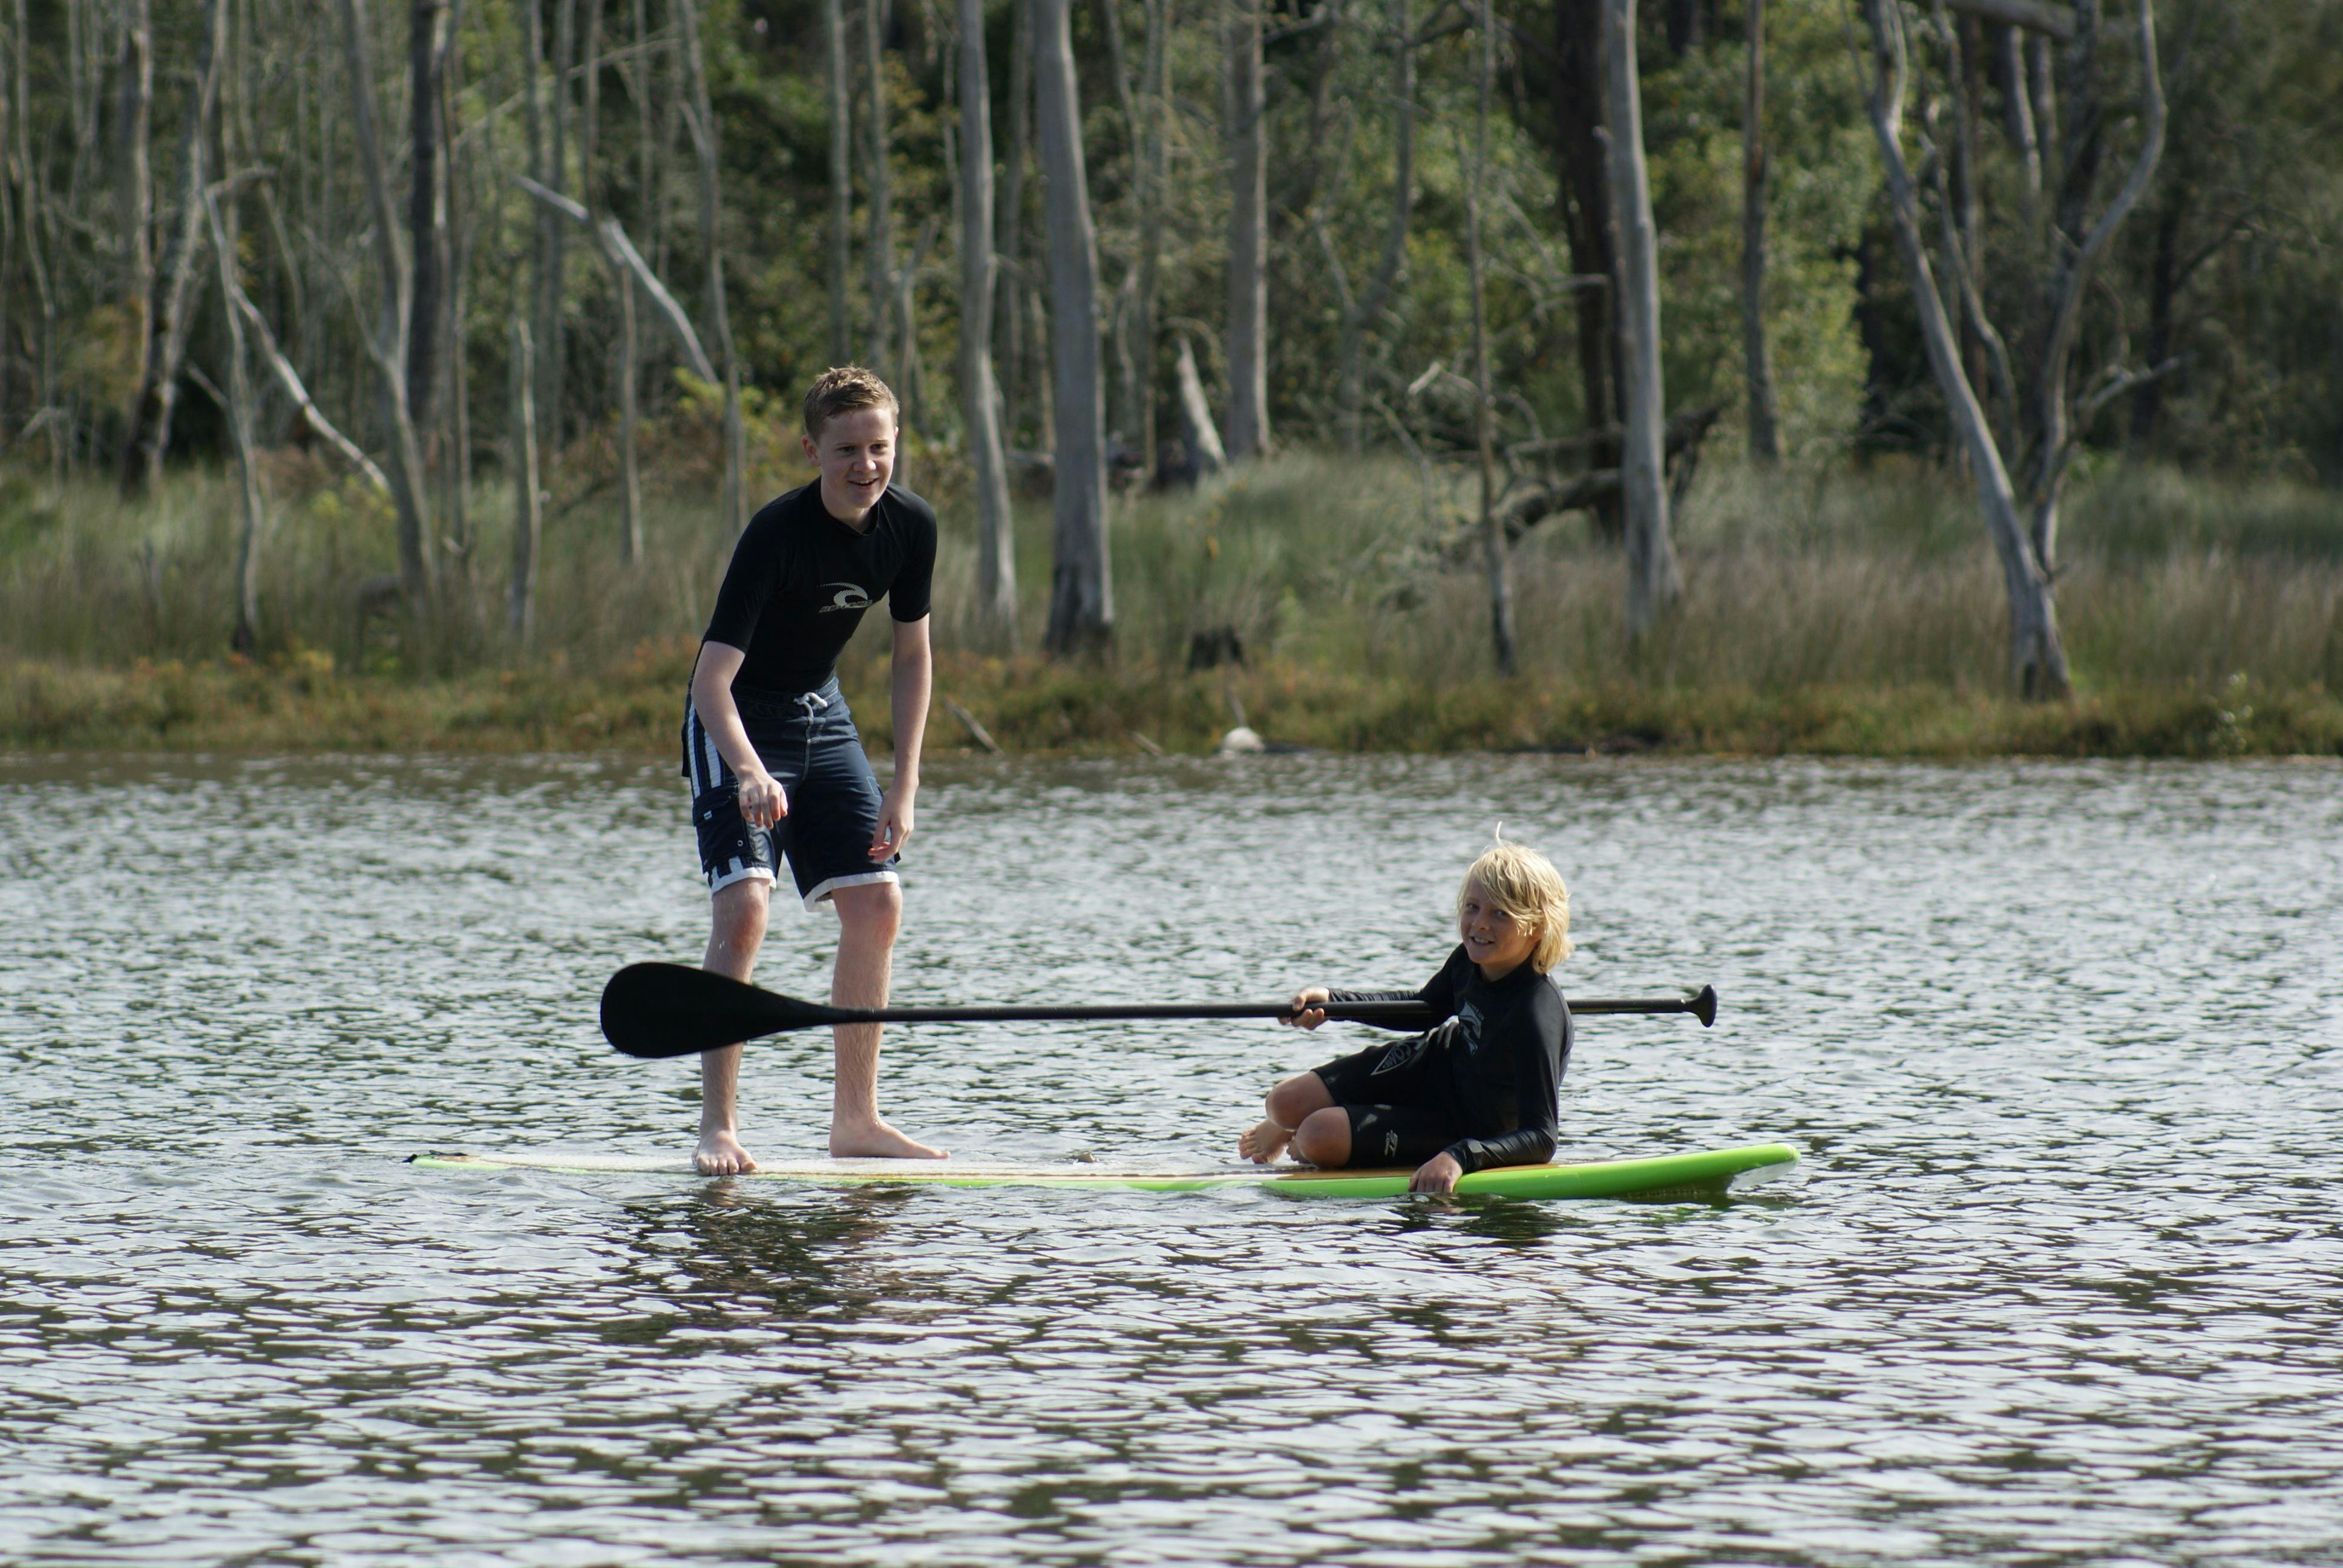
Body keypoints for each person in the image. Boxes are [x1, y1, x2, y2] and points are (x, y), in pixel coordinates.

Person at [681, 366, 942, 1174]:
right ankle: (717, 1127)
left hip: (820, 716)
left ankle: (855, 1121)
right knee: (748, 909)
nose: (866, 465)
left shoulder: (911, 526)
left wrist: (904, 783)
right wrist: (752, 773)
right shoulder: (777, 533)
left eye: (879, 447)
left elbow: (912, 655)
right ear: (812, 450)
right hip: (739, 719)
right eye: (847, 451)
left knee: (877, 902)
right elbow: (710, 681)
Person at [1237, 841, 1575, 1195]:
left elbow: (1541, 1137)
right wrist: (1335, 1003)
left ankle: (1306, 1131)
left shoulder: (1536, 1013)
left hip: (1466, 1125)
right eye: (1473, 908)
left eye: (1500, 914)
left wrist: (1460, 1157)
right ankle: (1291, 1122)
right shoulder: (1467, 961)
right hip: (1429, 1066)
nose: (1479, 924)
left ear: (1538, 927)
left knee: (1315, 1137)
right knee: (1282, 1103)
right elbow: (1425, 1007)